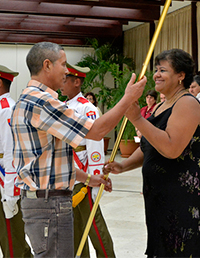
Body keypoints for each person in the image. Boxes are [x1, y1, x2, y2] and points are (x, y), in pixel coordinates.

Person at [11, 42, 146, 257]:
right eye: (63, 64)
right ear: (47, 65)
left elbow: (48, 161)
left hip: (43, 199)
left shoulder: (28, 99)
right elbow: (97, 131)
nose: (66, 71)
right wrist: (128, 98)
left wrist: (87, 178)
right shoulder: (42, 102)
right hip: (49, 203)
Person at [104, 49, 200, 257]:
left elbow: (171, 148)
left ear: (181, 75)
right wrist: (123, 165)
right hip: (160, 196)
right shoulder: (161, 106)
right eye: (156, 70)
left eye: (163, 70)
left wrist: (137, 119)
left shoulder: (186, 103)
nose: (156, 74)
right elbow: (149, 145)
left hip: (183, 197)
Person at [0, 58, 32, 258]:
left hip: (3, 182)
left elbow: (11, 152)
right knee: (11, 236)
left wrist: (10, 191)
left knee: (11, 241)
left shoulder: (5, 110)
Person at [61, 63, 115, 258]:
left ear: (77, 82)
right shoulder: (64, 106)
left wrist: (94, 178)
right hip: (68, 174)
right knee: (74, 228)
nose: (61, 82)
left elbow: (95, 146)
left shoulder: (87, 108)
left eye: (65, 79)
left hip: (83, 177)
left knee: (95, 225)